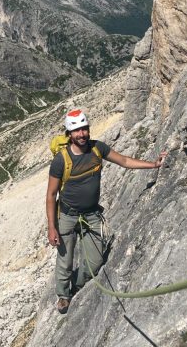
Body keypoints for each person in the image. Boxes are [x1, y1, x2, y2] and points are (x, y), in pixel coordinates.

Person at [45, 109, 167, 314]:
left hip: (91, 214)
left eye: (84, 129)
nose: (82, 134)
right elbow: (51, 195)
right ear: (69, 134)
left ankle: (77, 285)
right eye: (77, 131)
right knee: (65, 261)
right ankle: (63, 296)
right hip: (67, 215)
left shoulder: (97, 148)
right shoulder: (60, 160)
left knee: (95, 262)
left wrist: (154, 165)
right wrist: (52, 227)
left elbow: (125, 161)